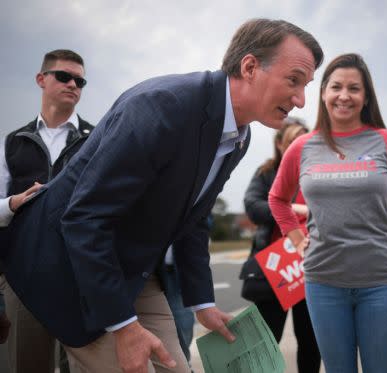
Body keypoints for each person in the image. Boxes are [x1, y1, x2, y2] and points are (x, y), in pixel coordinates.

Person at [0, 18, 322, 373]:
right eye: (294, 80)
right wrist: (123, 327)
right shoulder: (161, 108)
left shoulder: (239, 136)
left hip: (131, 269)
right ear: (249, 67)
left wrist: (203, 304)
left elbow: (195, 219)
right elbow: (84, 219)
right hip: (60, 263)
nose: (301, 100)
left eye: (306, 86)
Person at [269, 53, 387, 373]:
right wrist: (297, 241)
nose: (344, 95)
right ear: (323, 92)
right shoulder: (303, 147)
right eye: (336, 86)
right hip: (323, 282)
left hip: (382, 281)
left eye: (354, 88)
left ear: (366, 97)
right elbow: (277, 200)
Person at [0, 49, 94, 373]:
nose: (73, 84)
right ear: (41, 79)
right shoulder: (12, 143)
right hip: (25, 275)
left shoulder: (98, 140)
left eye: (80, 80)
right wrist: (12, 204)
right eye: (64, 76)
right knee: (27, 365)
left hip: (81, 274)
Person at [241, 118, 321, 373]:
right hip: (276, 269)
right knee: (266, 341)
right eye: (293, 141)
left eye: (305, 141)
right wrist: (292, 208)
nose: (300, 147)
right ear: (279, 144)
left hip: (311, 268)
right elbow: (253, 207)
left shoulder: (318, 174)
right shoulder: (268, 172)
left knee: (311, 342)